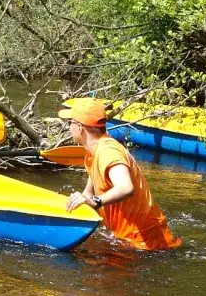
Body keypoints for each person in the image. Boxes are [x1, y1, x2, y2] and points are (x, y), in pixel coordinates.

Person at [61, 97, 182, 251]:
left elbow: (125, 188)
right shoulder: (92, 153)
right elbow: (88, 194)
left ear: (80, 127)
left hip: (147, 244)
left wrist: (94, 201)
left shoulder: (108, 152)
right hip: (126, 239)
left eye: (70, 122)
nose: (68, 127)